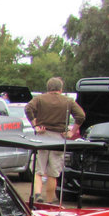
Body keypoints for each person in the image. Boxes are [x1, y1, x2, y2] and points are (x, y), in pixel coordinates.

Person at [25, 76, 84, 205]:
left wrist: (35, 125)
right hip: (59, 139)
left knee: (38, 170)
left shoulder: (39, 99)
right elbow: (81, 115)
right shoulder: (68, 101)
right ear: (61, 89)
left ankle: (37, 195)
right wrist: (72, 132)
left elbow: (28, 108)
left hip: (42, 136)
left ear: (48, 88)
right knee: (53, 173)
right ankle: (50, 201)